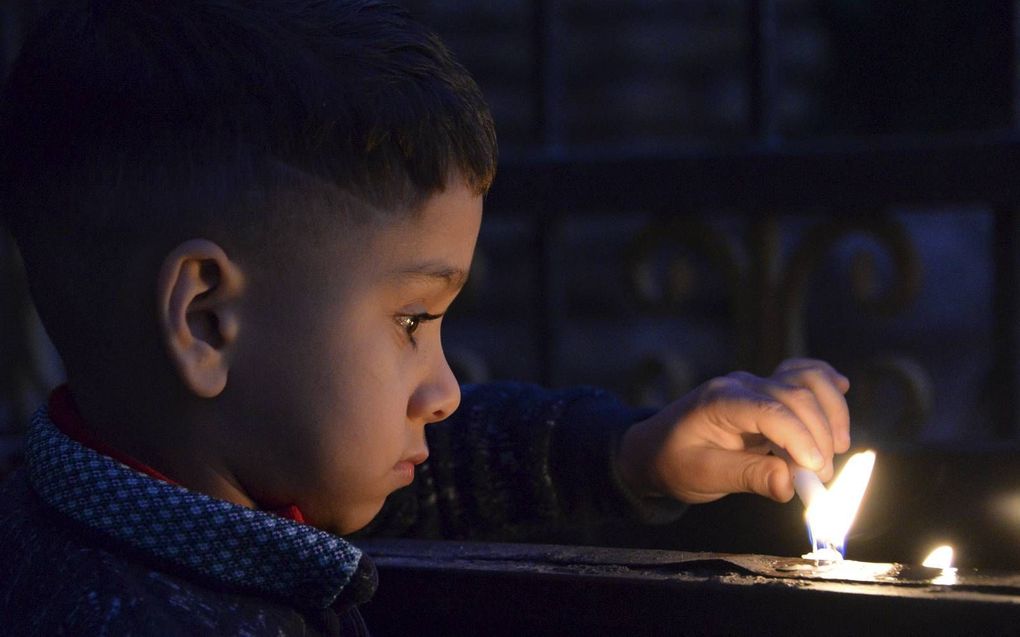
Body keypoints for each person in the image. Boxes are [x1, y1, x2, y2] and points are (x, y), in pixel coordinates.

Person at [0, 1, 851, 634]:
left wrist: (636, 456)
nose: (444, 390)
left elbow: (440, 474)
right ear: (208, 319)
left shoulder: (168, 498)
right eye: (414, 319)